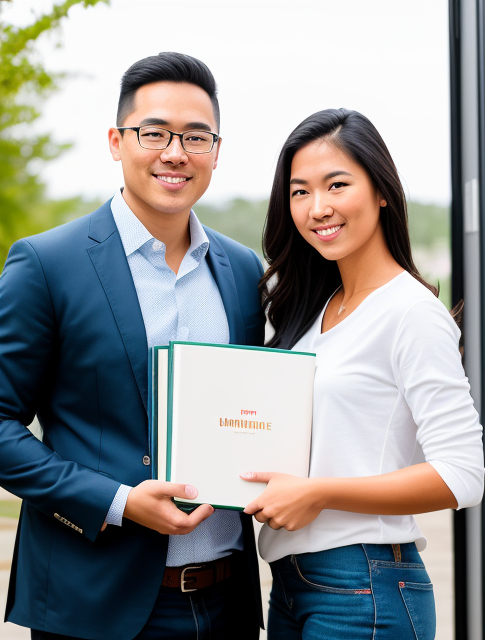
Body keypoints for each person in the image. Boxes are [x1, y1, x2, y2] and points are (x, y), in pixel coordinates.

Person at [0, 52, 264, 640]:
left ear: (217, 152)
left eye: (196, 137)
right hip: (94, 603)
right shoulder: (46, 264)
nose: (176, 153)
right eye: (155, 133)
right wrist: (117, 500)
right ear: (117, 141)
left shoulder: (244, 271)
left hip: (227, 603)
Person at [242, 108, 484, 639]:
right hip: (291, 583)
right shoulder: (313, 310)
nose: (318, 207)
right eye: (300, 191)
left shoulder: (411, 313)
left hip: (364, 584)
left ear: (381, 192)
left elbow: (462, 475)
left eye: (337, 184)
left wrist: (319, 492)